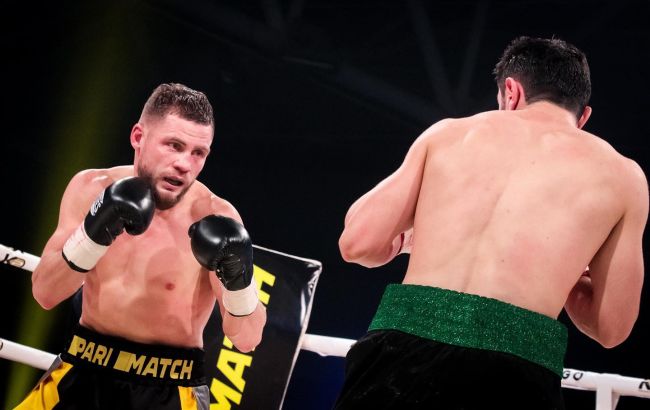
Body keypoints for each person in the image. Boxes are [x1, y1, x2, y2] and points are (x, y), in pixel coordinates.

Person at [335, 36, 648, 409]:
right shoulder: (623, 176)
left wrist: (404, 242)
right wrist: (562, 267)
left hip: (399, 352)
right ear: (583, 117)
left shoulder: (448, 133)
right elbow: (612, 327)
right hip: (515, 374)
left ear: (510, 92)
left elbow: (357, 243)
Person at [15, 83, 267, 410]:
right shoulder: (91, 188)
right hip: (82, 368)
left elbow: (247, 340)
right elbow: (45, 293)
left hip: (169, 389)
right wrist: (91, 236)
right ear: (138, 137)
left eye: (198, 153)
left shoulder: (215, 216)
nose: (185, 164)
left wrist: (239, 280)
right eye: (174, 145)